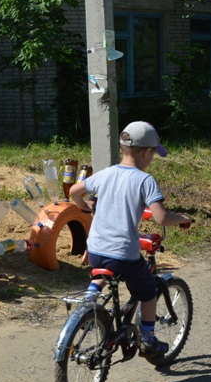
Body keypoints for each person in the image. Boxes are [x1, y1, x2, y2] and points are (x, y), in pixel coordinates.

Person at [69, 121, 193, 358]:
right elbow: (161, 217)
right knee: (147, 291)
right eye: (154, 153)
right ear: (147, 152)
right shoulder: (145, 180)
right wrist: (182, 218)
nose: (153, 158)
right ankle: (148, 340)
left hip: (95, 249)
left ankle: (89, 300)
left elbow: (75, 190)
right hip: (123, 254)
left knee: (104, 272)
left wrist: (86, 207)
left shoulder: (106, 173)